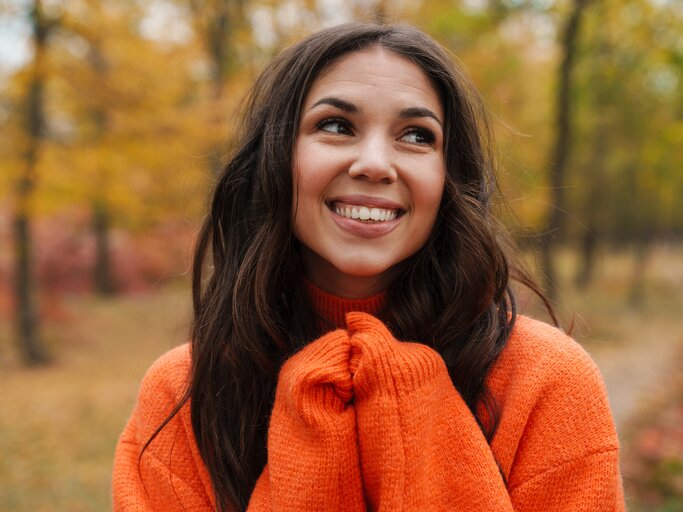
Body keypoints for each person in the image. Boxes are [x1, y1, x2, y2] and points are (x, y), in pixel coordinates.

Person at [112, 22, 625, 511]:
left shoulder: (545, 381)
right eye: (336, 126)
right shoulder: (186, 391)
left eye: (417, 136)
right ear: (274, 158)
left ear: (450, 179)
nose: (376, 163)